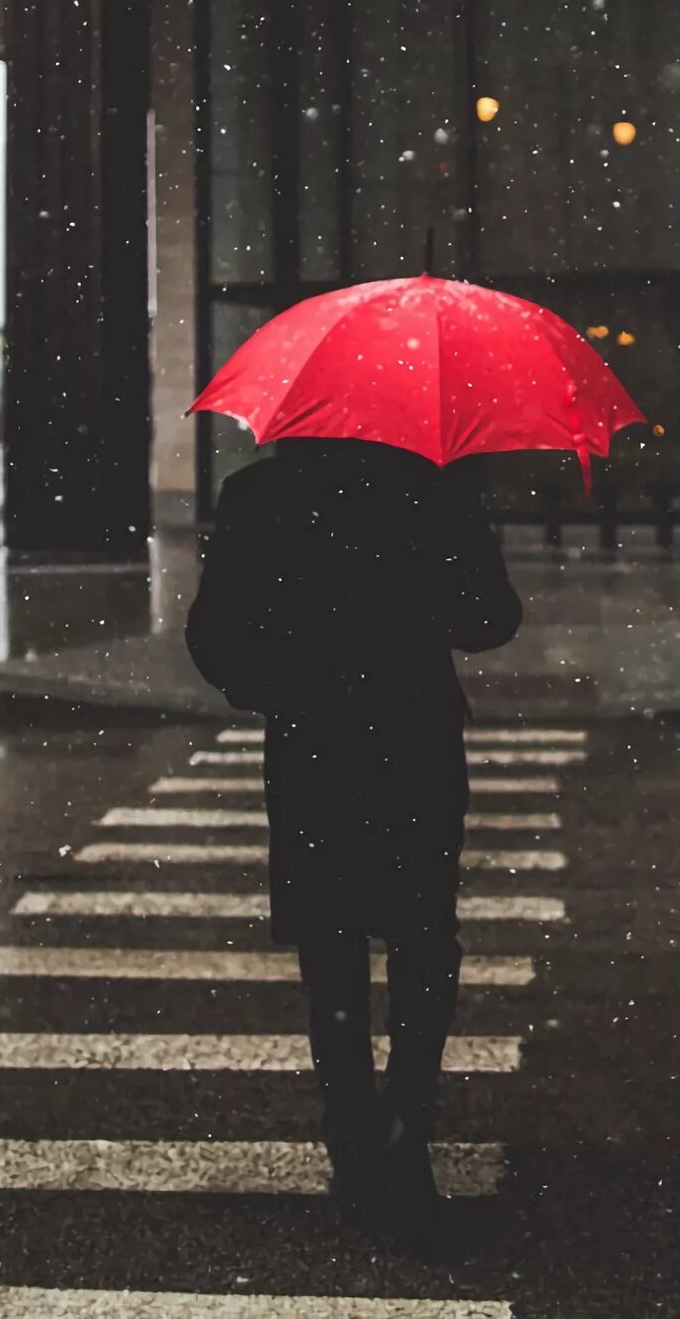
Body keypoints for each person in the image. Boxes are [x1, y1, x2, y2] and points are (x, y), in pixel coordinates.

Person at [183, 436, 522, 1252]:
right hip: (415, 738)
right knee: (421, 936)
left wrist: (271, 682)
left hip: (314, 742)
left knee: (329, 941)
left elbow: (213, 635)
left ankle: (350, 1128)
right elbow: (491, 618)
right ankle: (409, 1125)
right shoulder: (430, 489)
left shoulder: (257, 493)